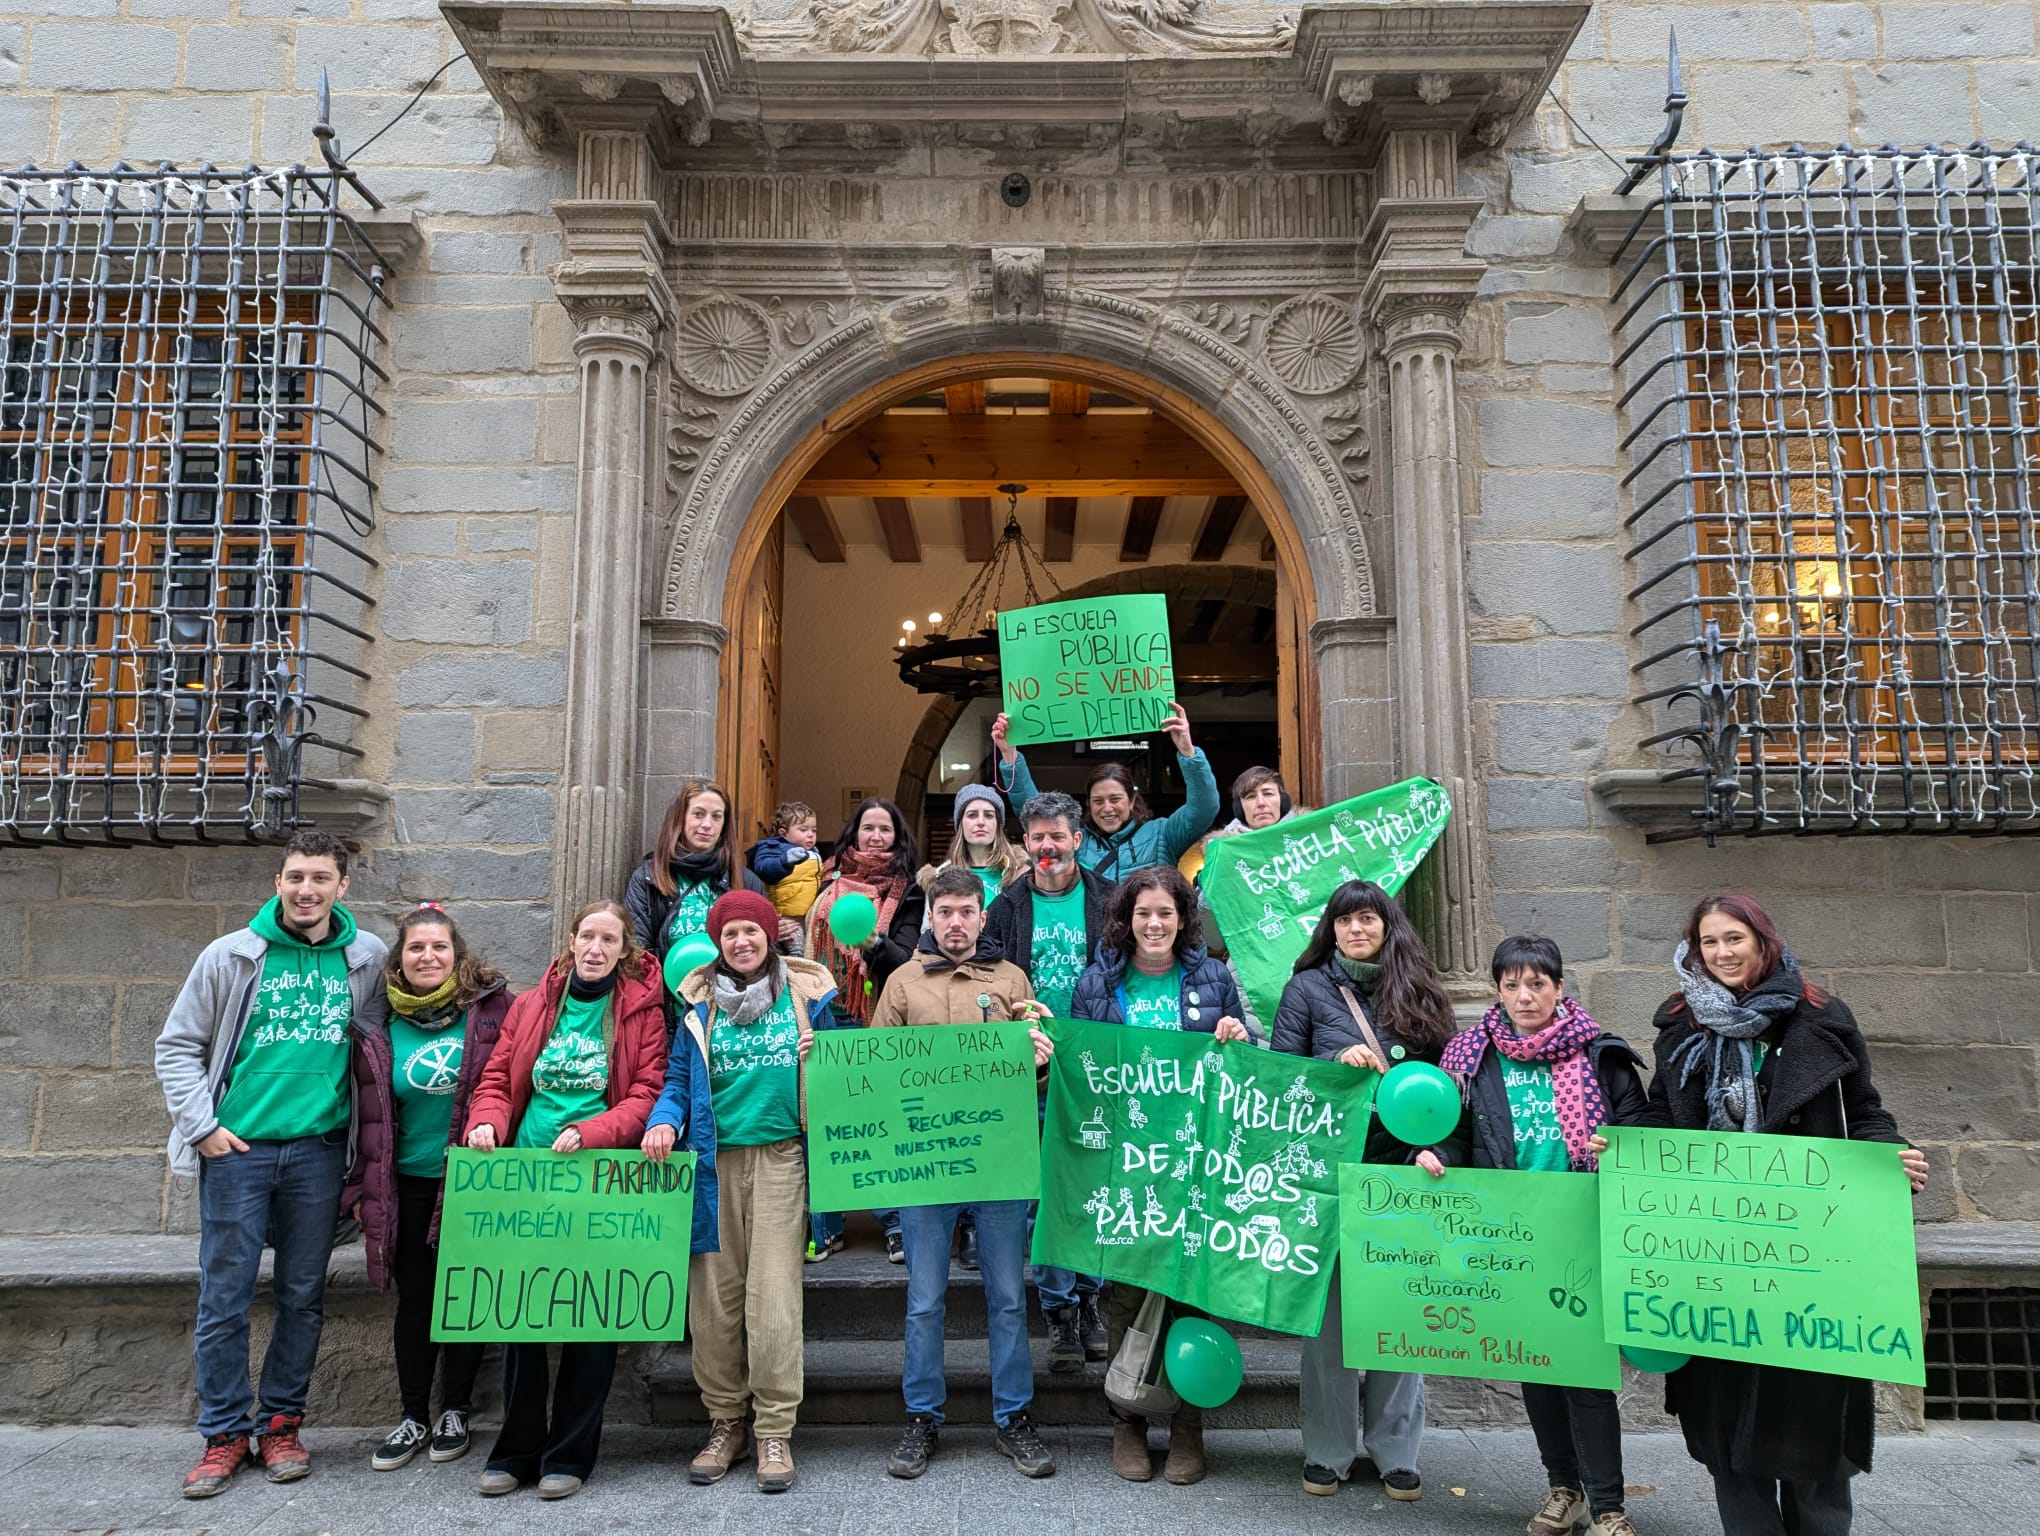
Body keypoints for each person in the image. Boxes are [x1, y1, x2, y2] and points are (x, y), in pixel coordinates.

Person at [1635, 893, 1930, 1536]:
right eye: (1709, 943)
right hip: (1715, 1258)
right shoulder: (1682, 1026)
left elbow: (1866, 1113)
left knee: (1812, 1427)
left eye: (1734, 938)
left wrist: (1891, 1158)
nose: (1723, 953)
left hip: (1808, 1262)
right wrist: (1623, 1147)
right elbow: (1661, 1118)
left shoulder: (1822, 1018)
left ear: (1762, 940)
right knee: (1728, 1435)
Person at [155, 831, 390, 1499]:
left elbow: (371, 1046)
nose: (306, 890)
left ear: (343, 887)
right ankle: (224, 1434)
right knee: (223, 1296)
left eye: (320, 878)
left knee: (301, 1297)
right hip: (239, 1152)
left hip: (318, 1152)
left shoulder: (364, 958)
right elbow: (177, 1047)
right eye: (295, 877)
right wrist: (202, 1129)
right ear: (279, 882)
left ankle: (282, 1424)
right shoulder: (230, 956)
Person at [1416, 934, 1650, 1536]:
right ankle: (1562, 1490)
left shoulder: (1602, 1055)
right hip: (1513, 1236)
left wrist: (1616, 1146)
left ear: (1558, 988)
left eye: (1537, 983)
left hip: (1583, 1231)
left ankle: (1609, 1507)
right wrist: (1435, 1153)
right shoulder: (1472, 1056)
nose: (1525, 995)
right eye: (1513, 984)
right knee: (1538, 1368)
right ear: (1497, 990)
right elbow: (1458, 1132)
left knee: (1587, 1376)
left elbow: (1642, 1131)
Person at [462, 900, 666, 1501]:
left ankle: (571, 1454)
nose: (596, 949)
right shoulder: (531, 1006)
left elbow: (647, 1091)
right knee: (522, 1316)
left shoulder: (640, 1011)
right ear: (571, 941)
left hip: (600, 1179)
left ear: (624, 950)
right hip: (529, 1179)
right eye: (587, 937)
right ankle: (517, 1449)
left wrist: (595, 1132)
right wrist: (487, 1124)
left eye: (609, 940)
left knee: (592, 1321)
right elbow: (497, 1081)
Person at [642, 889, 835, 1495]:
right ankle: (726, 1422)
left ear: (769, 935)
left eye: (752, 931)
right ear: (718, 943)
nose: (742, 942)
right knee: (714, 1301)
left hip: (782, 1159)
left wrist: (821, 1056)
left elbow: (852, 1075)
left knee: (773, 1299)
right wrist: (662, 1119)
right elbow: (677, 1079)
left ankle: (774, 1428)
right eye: (731, 935)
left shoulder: (808, 994)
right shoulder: (697, 1007)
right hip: (711, 1164)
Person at [870, 866, 1058, 1484]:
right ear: (931, 917)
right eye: (944, 912)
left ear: (982, 916)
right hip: (926, 1168)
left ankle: (1014, 1419)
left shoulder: (1011, 981)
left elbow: (1031, 1078)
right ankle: (922, 1416)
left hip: (1000, 1164)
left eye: (965, 912)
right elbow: (871, 1074)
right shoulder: (900, 984)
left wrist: (1037, 1059)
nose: (954, 922)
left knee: (1007, 1298)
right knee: (924, 1301)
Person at [1271, 879, 1455, 1504]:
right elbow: (1278, 1082)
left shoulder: (1421, 988)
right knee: (1329, 1326)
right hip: (1328, 1178)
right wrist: (1330, 1071)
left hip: (1403, 1175)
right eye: (1345, 920)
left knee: (1399, 1315)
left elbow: (1447, 1083)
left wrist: (1435, 1149)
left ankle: (1396, 1450)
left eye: (1368, 919)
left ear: (1387, 925)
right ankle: (1328, 1450)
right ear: (1331, 928)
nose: (1356, 929)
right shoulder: (1307, 989)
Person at [1069, 865, 1251, 1486]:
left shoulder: (1212, 977)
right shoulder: (1096, 984)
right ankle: (1127, 1420)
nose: (1154, 924)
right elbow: (1083, 1073)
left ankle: (1188, 1426)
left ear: (1183, 919)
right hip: (1127, 1164)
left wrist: (1236, 1035)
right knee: (1125, 1290)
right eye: (1143, 913)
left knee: (1193, 1288)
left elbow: (1243, 1068)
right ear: (1126, 919)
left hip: (1198, 1160)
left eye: (1166, 914)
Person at [346, 903, 514, 1473]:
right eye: (416, 948)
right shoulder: (376, 1023)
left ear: (457, 955)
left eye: (439, 947)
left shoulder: (491, 1013)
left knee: (463, 1295)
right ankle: (413, 1414)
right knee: (416, 1302)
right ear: (400, 958)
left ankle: (457, 1410)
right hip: (406, 1184)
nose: (428, 956)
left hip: (472, 1180)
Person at [984, 789, 1114, 1368]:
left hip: (1094, 1069)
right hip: (1029, 1073)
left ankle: (1091, 1299)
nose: (1046, 847)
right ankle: (1059, 1311)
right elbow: (985, 982)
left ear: (1077, 840)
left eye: (1057, 836)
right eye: (1036, 837)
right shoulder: (1007, 907)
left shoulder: (1110, 900)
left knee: (1091, 1187)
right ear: (1025, 842)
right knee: (1043, 1194)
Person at [807, 795, 924, 1261]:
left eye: (885, 829)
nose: (876, 836)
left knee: (880, 1123)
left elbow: (907, 963)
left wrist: (872, 940)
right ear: (853, 833)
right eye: (868, 828)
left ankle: (895, 1223)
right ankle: (828, 1226)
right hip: (822, 1013)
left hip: (876, 1018)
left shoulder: (908, 890)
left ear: (898, 837)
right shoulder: (826, 879)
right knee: (824, 1119)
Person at [992, 701, 1220, 880]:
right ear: (1089, 805)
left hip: (1148, 936)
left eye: (1115, 799)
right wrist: (1010, 756)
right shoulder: (1076, 840)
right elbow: (1034, 813)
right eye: (1098, 801)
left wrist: (1188, 752)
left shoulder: (1163, 834)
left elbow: (1204, 807)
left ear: (1131, 801)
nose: (1107, 808)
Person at [624, 780, 784, 962]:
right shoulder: (648, 878)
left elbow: (765, 952)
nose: (707, 824)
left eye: (716, 816)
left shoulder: (746, 881)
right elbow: (637, 950)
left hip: (732, 988)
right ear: (680, 818)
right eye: (698, 814)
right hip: (665, 988)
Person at [917, 781, 1026, 915]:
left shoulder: (1019, 873)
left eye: (989, 815)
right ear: (960, 824)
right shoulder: (939, 878)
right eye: (972, 815)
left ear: (998, 824)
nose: (981, 822)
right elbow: (930, 932)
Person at [747, 800, 824, 926]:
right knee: (798, 946)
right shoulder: (772, 847)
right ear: (784, 833)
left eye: (814, 830)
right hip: (786, 917)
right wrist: (784, 861)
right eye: (803, 830)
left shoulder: (814, 853)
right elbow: (763, 869)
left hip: (808, 915)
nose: (810, 835)